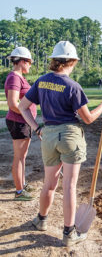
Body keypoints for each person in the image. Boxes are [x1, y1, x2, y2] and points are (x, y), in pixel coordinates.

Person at [19, 41, 102, 246]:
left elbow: (22, 106)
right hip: (69, 136)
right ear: (72, 61)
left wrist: (37, 128)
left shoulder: (41, 81)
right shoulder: (73, 86)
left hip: (48, 135)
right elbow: (87, 118)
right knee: (69, 185)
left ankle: (41, 220)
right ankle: (69, 233)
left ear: (55, 60)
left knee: (49, 184)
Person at [4, 47, 37, 201]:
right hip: (19, 122)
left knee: (22, 156)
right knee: (19, 157)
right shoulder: (14, 78)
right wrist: (31, 121)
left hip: (23, 122)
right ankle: (19, 192)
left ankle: (22, 184)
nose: (30, 65)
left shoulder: (19, 77)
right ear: (23, 61)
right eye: (29, 62)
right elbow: (12, 104)